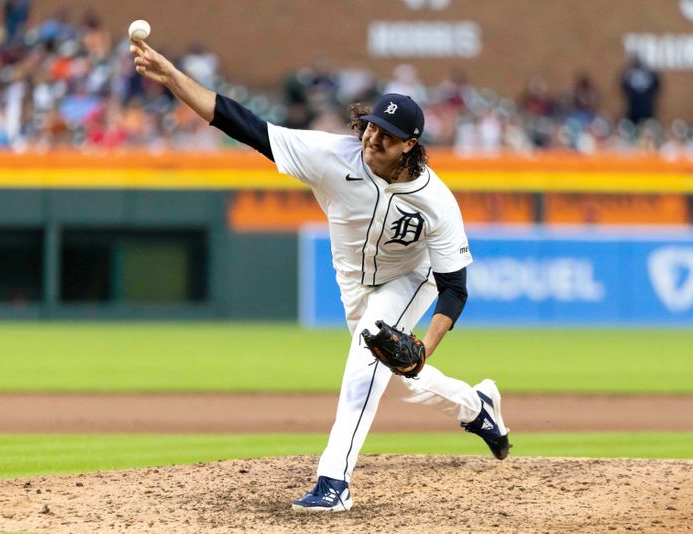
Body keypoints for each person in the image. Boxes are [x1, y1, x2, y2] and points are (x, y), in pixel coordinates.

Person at [130, 39, 511, 512]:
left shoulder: (436, 201)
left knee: (368, 352)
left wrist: (425, 344)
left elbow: (455, 287)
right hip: (354, 283)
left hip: (411, 279)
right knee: (397, 373)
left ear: (410, 145)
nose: (373, 139)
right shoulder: (332, 155)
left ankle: (335, 480)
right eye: (372, 128)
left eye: (387, 136)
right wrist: (171, 77)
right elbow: (240, 122)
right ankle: (477, 408)